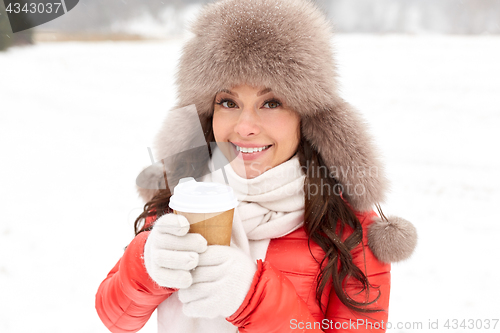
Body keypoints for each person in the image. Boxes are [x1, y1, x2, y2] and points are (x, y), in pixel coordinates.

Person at [95, 0, 417, 332]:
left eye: (272, 102)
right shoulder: (183, 198)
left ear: (306, 118)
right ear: (208, 113)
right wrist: (146, 265)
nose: (246, 126)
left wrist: (251, 298)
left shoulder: (350, 231)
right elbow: (114, 317)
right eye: (228, 102)